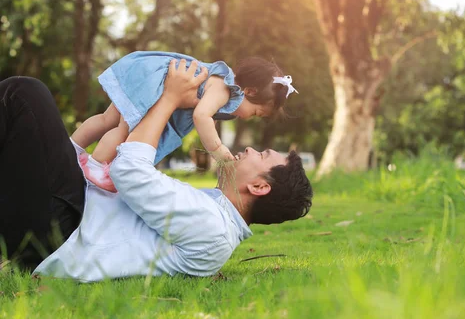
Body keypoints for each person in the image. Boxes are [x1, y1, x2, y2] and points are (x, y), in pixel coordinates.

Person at [0, 62, 312, 281]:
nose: (250, 150)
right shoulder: (213, 211)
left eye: (263, 155)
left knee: (25, 95)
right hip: (68, 214)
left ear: (259, 187)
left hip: (60, 230)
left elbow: (129, 171)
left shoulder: (212, 225)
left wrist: (170, 98)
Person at [71, 52, 298, 192]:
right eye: (256, 113)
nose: (250, 118)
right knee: (123, 128)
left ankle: (71, 147)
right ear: (248, 91)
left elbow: (210, 116)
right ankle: (95, 167)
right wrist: (217, 149)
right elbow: (201, 116)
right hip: (159, 83)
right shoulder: (224, 90)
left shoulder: (222, 86)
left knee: (107, 119)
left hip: (149, 74)